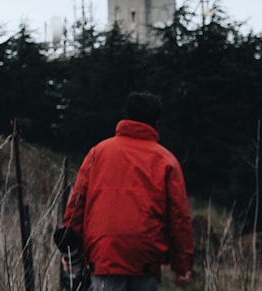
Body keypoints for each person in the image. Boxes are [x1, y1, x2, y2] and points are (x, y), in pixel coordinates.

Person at [63, 92, 194, 290]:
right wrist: (182, 264)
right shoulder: (166, 160)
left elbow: (77, 204)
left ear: (126, 116)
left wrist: (69, 249)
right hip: (145, 255)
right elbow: (179, 217)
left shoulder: (98, 153)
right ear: (156, 121)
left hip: (104, 253)